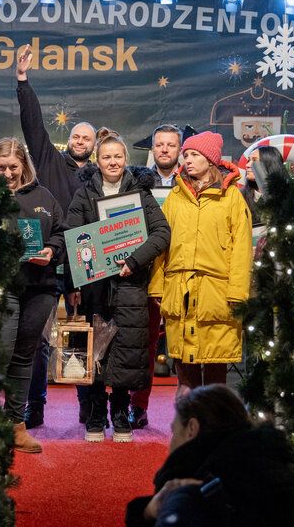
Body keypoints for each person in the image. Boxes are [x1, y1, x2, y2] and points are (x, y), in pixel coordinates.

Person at [67, 129, 171, 442]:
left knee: (127, 349)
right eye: (106, 157)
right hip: (95, 287)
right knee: (97, 351)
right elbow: (75, 237)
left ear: (126, 159)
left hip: (131, 286)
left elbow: (162, 233)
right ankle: (97, 413)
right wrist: (82, 274)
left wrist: (133, 260)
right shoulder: (83, 195)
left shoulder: (141, 193)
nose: (113, 162)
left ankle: (121, 413)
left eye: (118, 156)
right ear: (96, 161)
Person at [16, 43, 97, 428]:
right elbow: (33, 126)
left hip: (85, 265)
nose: (80, 141)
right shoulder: (50, 161)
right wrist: (22, 81)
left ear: (95, 145)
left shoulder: (100, 178)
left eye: (87, 138)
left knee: (84, 334)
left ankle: (87, 405)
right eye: (76, 137)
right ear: (71, 141)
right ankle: (35, 405)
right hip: (49, 260)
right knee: (37, 339)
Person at [150, 132, 251, 397]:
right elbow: (161, 245)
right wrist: (157, 287)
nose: (188, 161)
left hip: (216, 292)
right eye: (186, 155)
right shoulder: (175, 196)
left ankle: (215, 426)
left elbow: (241, 250)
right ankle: (188, 424)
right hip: (179, 289)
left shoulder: (232, 197)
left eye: (195, 155)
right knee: (183, 362)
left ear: (211, 159)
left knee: (216, 360)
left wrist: (237, 293)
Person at [124, 385, 294, 527]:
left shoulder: (191, 493)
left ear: (192, 428)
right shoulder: (277, 470)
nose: (171, 444)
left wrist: (156, 509)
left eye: (175, 432)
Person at [0, 138, 67, 453]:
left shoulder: (44, 197)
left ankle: (15, 426)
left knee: (24, 356)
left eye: (13, 167)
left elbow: (62, 234)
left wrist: (50, 250)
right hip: (2, 287)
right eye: (1, 168)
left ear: (24, 166)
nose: (7, 174)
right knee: (1, 354)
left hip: (40, 288)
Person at [131, 124, 183, 429]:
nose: (164, 150)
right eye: (159, 145)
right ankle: (138, 405)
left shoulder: (191, 180)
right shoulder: (138, 181)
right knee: (145, 343)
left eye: (170, 145)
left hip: (181, 269)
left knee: (185, 344)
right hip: (147, 270)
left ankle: (188, 407)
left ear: (179, 149)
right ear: (153, 149)